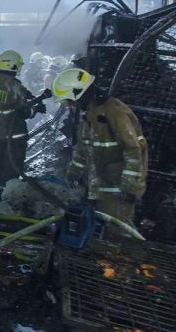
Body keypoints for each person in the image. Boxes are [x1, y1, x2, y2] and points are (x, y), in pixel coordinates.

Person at [54, 68, 148, 229]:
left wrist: (130, 187)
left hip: (118, 188)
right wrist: (71, 175)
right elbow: (82, 150)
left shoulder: (115, 111)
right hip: (100, 185)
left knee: (117, 231)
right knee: (98, 231)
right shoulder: (89, 115)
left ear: (79, 94)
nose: (70, 106)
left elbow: (133, 150)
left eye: (69, 101)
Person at [0, 50, 45, 201]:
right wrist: (37, 108)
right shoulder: (14, 85)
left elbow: (10, 103)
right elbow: (24, 112)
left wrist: (28, 95)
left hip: (0, 135)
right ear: (13, 66)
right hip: (15, 138)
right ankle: (6, 199)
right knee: (11, 170)